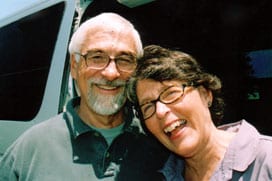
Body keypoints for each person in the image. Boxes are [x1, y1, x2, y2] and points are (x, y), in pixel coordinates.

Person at [0, 13, 168, 181]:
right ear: (74, 66)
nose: (111, 73)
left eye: (124, 60)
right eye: (96, 57)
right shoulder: (30, 150)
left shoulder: (161, 145)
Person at [127, 44, 272, 181]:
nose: (160, 111)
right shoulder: (159, 176)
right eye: (147, 107)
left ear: (205, 94)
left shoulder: (266, 160)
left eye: (171, 93)